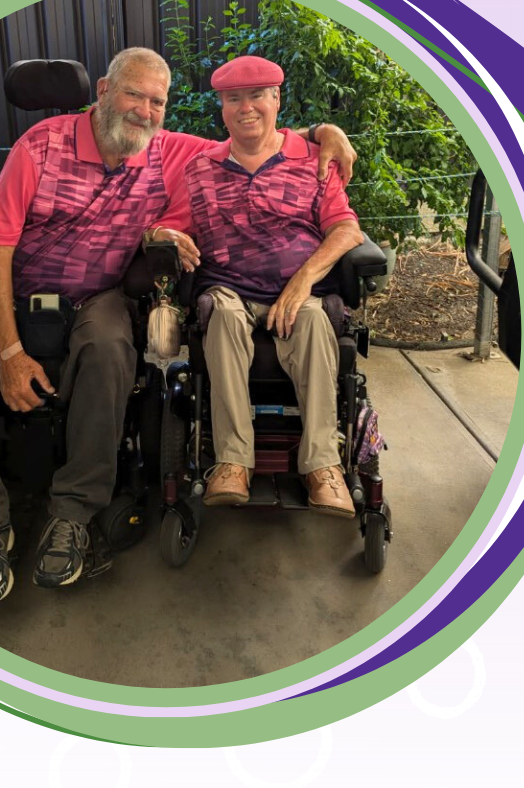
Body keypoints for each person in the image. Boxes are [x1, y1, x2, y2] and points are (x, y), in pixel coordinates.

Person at [0, 48, 358, 609]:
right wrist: (9, 351)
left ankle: (72, 514)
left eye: (157, 102)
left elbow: (250, 135)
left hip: (96, 295)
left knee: (112, 350)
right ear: (102, 90)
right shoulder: (40, 147)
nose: (145, 110)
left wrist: (323, 132)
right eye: (133, 94)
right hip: (6, 288)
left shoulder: (168, 151)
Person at [150, 55, 364, 517]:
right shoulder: (200, 167)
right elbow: (166, 225)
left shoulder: (314, 159)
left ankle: (323, 465)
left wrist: (305, 278)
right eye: (233, 99)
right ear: (222, 109)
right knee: (222, 317)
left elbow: (346, 230)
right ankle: (232, 461)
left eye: (256, 96)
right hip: (228, 289)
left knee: (309, 321)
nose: (245, 108)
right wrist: (162, 235)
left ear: (276, 99)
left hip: (298, 291)